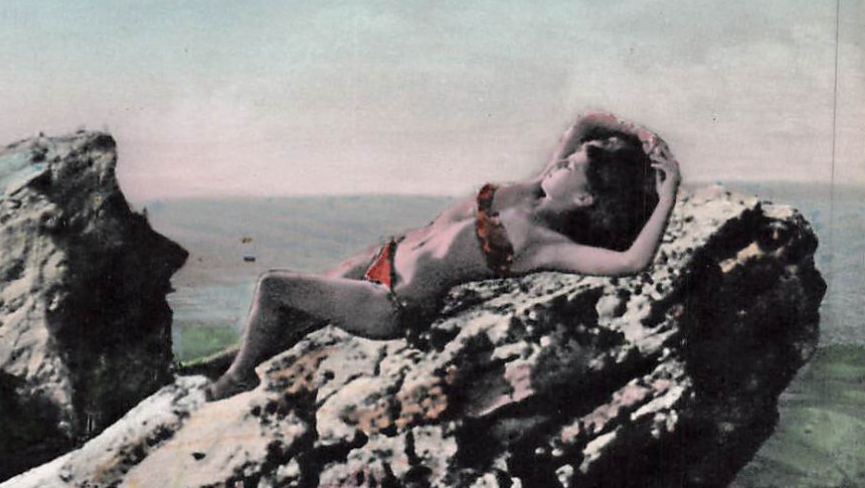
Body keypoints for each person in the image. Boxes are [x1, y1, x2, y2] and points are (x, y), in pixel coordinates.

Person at [206, 113, 680, 401]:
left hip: (392, 303)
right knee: (292, 311)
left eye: (571, 168)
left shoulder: (543, 243)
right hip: (384, 260)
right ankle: (237, 358)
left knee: (275, 287)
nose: (560, 161)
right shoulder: (531, 190)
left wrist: (669, 190)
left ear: (583, 200)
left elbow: (631, 263)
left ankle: (239, 378)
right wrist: (639, 134)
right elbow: (584, 121)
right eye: (566, 158)